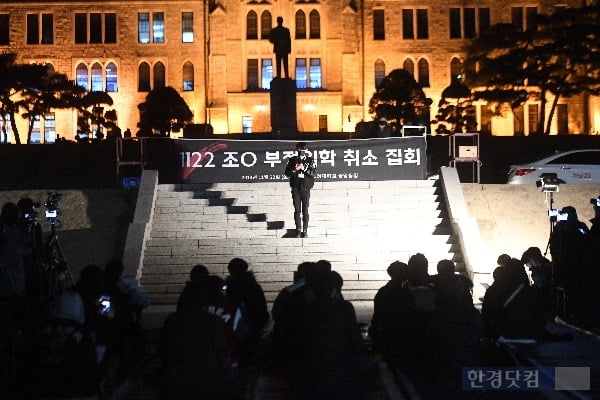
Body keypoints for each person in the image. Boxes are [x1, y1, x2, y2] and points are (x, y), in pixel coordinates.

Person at [284, 142, 316, 238]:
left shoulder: (310, 160)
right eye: (300, 150)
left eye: (303, 150)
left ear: (307, 150)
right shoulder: (293, 160)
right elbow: (287, 174)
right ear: (297, 150)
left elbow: (313, 172)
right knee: (297, 210)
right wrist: (294, 169)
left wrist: (304, 168)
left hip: (306, 187)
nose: (301, 152)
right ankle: (298, 230)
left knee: (305, 210)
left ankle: (305, 230)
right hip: (295, 188)